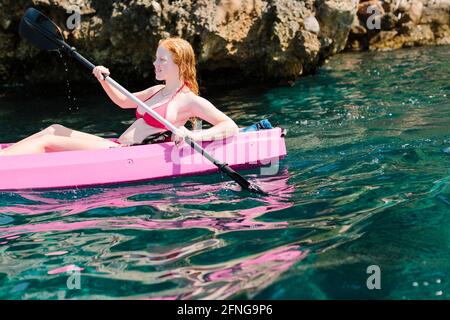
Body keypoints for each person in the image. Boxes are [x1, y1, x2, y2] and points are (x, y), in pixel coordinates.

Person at [0, 37, 239, 156]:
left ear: (180, 65)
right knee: (54, 128)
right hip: (116, 146)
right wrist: (101, 79)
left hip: (123, 155)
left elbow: (230, 126)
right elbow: (123, 101)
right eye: (156, 58)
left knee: (47, 141)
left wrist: (192, 134)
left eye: (162, 60)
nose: (155, 64)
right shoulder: (157, 90)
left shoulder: (189, 99)